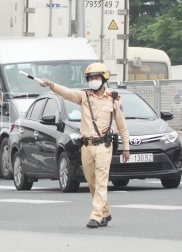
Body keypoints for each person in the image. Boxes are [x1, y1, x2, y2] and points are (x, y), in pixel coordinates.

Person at [36, 63, 129, 229]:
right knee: (92, 182)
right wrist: (51, 84)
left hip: (104, 146)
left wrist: (126, 147)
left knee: (101, 181)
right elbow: (67, 93)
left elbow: (122, 126)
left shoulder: (114, 98)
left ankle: (96, 216)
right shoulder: (84, 97)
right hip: (86, 145)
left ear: (104, 78)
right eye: (91, 78)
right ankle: (105, 212)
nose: (93, 81)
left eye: (96, 78)